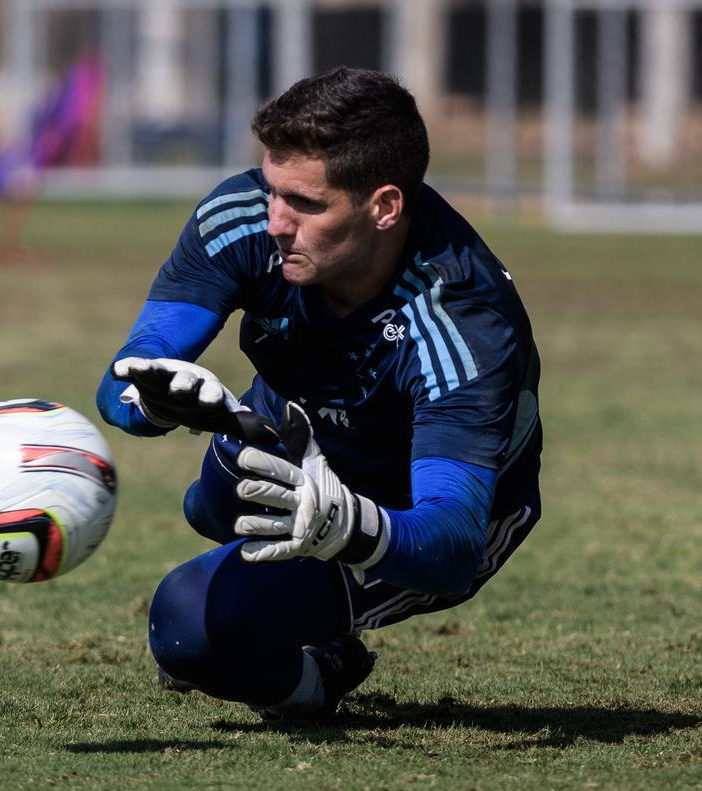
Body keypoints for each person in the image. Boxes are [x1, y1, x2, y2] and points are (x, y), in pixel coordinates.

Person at [97, 67, 542, 719]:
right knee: (210, 503)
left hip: (413, 508)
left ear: (385, 207)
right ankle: (300, 609)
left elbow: (451, 543)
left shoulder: (461, 321)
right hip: (298, 434)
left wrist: (355, 529)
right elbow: (122, 381)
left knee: (188, 627)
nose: (276, 221)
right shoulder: (244, 217)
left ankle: (318, 679)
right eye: (273, 188)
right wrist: (150, 400)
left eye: (305, 204)